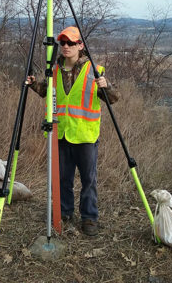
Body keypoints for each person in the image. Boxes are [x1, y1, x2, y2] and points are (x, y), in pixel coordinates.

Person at [27, 26, 119, 236]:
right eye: (63, 43)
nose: (66, 46)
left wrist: (107, 86)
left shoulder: (95, 70)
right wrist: (33, 84)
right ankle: (64, 212)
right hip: (60, 133)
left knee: (88, 179)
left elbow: (113, 98)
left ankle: (89, 218)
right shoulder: (55, 69)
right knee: (63, 179)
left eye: (70, 43)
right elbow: (46, 91)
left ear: (80, 45)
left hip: (85, 135)